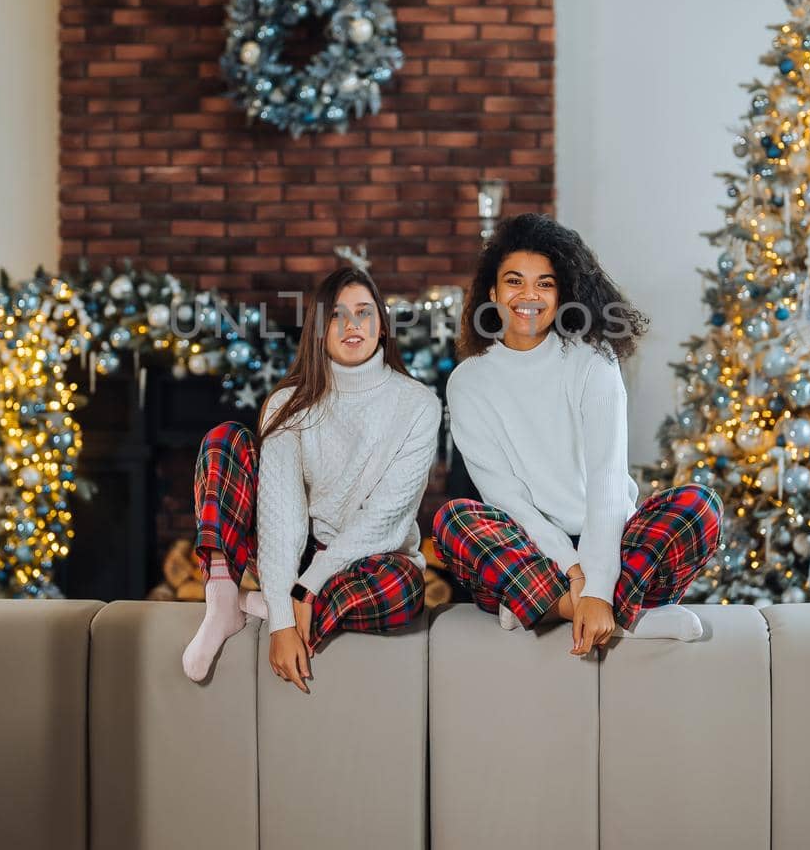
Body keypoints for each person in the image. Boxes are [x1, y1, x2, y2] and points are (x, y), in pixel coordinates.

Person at [433, 213, 722, 656]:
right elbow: (507, 501)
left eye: (545, 284)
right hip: (532, 550)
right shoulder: (468, 382)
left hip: (611, 542)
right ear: (492, 293)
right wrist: (576, 577)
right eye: (514, 281)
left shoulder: (593, 360)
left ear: (562, 293)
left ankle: (547, 608)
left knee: (698, 506)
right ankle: (619, 616)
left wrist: (599, 584)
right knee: (454, 521)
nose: (529, 295)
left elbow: (607, 480)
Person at [181, 267, 441, 688]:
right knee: (224, 439)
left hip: (369, 560)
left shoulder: (417, 405)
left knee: (404, 587)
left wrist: (304, 591)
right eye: (337, 315)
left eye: (363, 312)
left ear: (382, 327)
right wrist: (283, 623)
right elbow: (281, 518)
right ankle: (223, 601)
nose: (351, 325)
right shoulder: (289, 403)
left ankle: (262, 604)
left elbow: (386, 518)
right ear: (319, 331)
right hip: (294, 552)